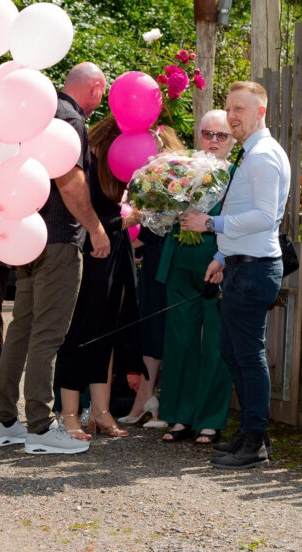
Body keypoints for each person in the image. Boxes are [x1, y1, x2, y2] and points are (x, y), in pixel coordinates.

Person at [0, 62, 110, 455]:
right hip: (58, 239)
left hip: (26, 237)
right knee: (47, 334)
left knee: (22, 328)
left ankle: (5, 420)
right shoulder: (69, 120)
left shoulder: (36, 113)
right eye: (102, 92)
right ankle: (40, 426)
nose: (101, 101)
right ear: (94, 87)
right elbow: (69, 181)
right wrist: (95, 228)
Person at [182, 81, 291, 469]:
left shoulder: (262, 156)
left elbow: (264, 218)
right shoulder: (251, 153)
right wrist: (223, 257)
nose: (232, 116)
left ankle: (256, 442)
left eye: (240, 109)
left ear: (260, 112)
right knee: (235, 353)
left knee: (247, 355)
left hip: (255, 271)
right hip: (241, 266)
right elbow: (252, 218)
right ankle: (248, 434)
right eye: (229, 108)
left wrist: (211, 224)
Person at [55, 116, 145, 439]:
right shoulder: (92, 160)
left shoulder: (114, 164)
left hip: (115, 255)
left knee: (106, 333)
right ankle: (68, 414)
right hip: (95, 255)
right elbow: (99, 216)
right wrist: (129, 218)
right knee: (82, 333)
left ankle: (101, 411)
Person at [158, 111, 235, 444]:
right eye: (207, 134)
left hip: (216, 267)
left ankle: (210, 419)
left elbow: (243, 221)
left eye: (222, 135)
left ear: (233, 141)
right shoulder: (182, 170)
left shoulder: (238, 176)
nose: (213, 141)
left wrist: (225, 259)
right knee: (179, 341)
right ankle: (179, 416)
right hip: (180, 263)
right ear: (197, 137)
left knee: (216, 344)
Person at [118, 126, 184, 428]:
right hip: (155, 261)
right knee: (151, 329)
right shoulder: (149, 177)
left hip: (168, 260)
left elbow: (156, 225)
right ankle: (146, 397)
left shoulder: (174, 176)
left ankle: (156, 402)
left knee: (163, 329)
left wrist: (125, 238)